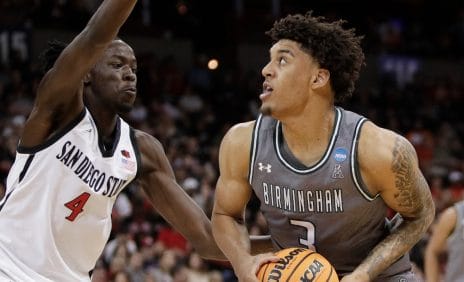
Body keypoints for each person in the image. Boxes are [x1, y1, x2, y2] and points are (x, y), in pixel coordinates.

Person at [0, 1, 271, 281]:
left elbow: (207, 240)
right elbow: (95, 34)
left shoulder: (143, 150)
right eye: (117, 64)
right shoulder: (58, 112)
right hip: (7, 266)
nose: (130, 74)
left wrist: (292, 241)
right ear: (87, 74)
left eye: (134, 68)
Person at [211, 12, 435, 282]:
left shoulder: (377, 149)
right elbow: (225, 214)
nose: (266, 70)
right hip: (291, 275)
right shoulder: (242, 142)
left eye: (282, 60)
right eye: (269, 60)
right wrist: (242, 262)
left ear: (318, 78)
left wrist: (364, 274)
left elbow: (420, 214)